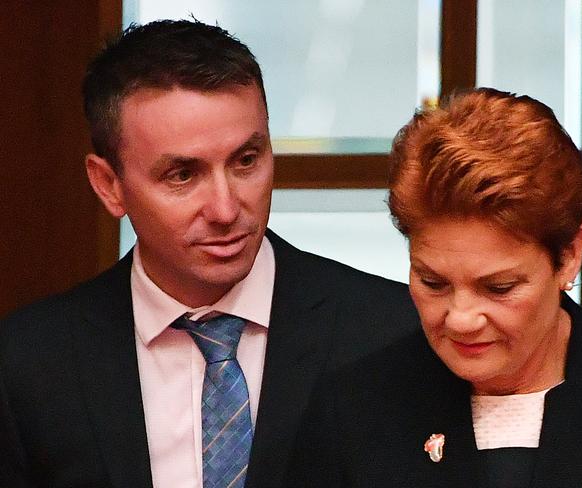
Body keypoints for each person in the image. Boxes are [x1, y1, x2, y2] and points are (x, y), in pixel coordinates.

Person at [0, 20, 420, 488]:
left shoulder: (392, 332)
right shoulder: (28, 365)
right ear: (109, 185)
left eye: (246, 161)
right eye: (182, 175)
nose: (225, 209)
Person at [288, 88, 582, 488]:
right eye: (433, 282)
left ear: (569, 256)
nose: (461, 319)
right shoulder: (355, 411)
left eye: (498, 288)